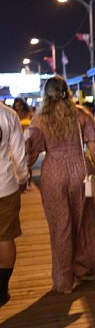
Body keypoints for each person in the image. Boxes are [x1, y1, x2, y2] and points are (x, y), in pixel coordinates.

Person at [26, 76, 95, 293]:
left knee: (60, 225)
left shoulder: (40, 119)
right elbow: (94, 145)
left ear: (46, 93)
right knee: (83, 220)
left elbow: (32, 150)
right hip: (80, 167)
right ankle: (84, 268)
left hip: (53, 172)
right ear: (67, 91)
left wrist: (25, 173)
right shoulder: (81, 114)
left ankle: (63, 281)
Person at [0, 100, 29, 307]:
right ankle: (1, 290)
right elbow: (19, 154)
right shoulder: (8, 115)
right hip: (5, 186)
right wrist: (22, 179)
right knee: (5, 237)